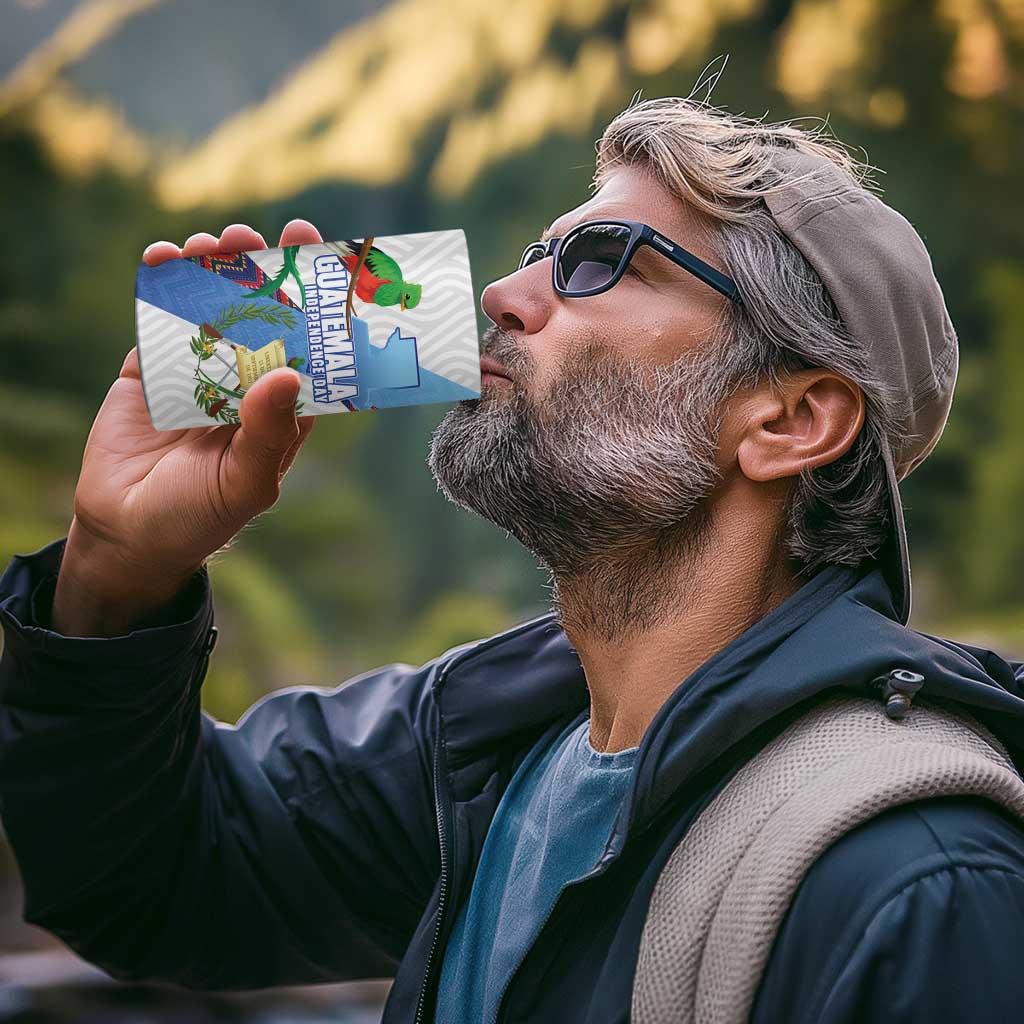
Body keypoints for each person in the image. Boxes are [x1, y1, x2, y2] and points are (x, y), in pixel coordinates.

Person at [2, 95, 1024, 1024]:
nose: (502, 291)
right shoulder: (483, 746)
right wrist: (116, 574)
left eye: (602, 261)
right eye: (541, 252)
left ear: (790, 421)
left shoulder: (919, 886)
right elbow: (150, 880)